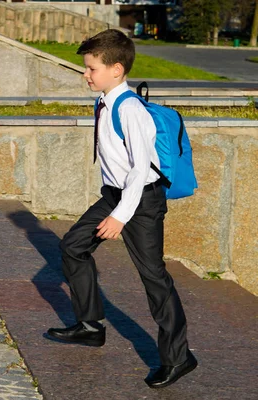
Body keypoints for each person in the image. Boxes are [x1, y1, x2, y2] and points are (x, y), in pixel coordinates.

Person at [46, 29, 197, 389]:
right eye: (85, 68)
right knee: (73, 246)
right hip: (116, 194)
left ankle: (179, 358)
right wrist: (113, 205)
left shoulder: (130, 109)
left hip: (141, 201)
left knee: (154, 278)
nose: (85, 74)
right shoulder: (104, 100)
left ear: (116, 69)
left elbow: (142, 167)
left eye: (91, 68)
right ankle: (89, 325)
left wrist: (119, 216)